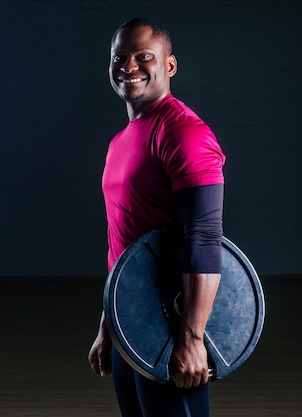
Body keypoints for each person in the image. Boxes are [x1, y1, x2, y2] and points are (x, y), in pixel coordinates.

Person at [88, 17, 226, 417]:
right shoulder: (120, 142)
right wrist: (107, 326)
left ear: (170, 65)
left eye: (144, 57)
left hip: (170, 323)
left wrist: (192, 337)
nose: (128, 67)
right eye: (120, 58)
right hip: (129, 321)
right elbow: (122, 245)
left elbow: (203, 236)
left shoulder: (184, 134)